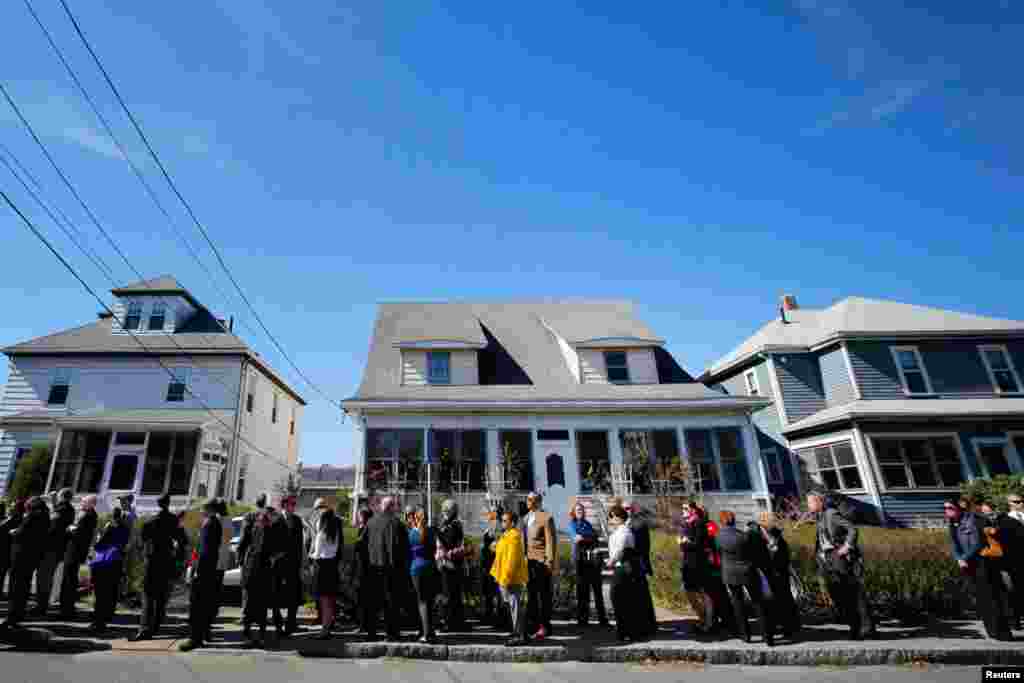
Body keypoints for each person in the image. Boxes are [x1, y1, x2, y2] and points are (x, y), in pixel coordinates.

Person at [809, 490, 874, 640]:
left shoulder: (831, 514)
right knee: (839, 594)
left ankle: (865, 628)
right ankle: (854, 626)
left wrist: (847, 546)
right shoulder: (819, 517)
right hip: (829, 559)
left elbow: (852, 529)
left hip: (839, 557)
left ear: (819, 502)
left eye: (811, 502)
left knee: (852, 592)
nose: (809, 505)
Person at [947, 498, 1013, 641]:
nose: (947, 511)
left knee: (992, 597)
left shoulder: (974, 520)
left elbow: (978, 542)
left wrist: (964, 557)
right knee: (982, 599)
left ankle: (1002, 633)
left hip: (983, 563)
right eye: (945, 509)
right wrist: (958, 558)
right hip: (968, 565)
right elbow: (953, 543)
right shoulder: (953, 523)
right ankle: (992, 632)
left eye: (950, 508)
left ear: (960, 508)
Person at [132, 493, 189, 641]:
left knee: (149, 595)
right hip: (167, 560)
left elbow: (142, 540)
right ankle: (156, 625)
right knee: (162, 595)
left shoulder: (151, 521)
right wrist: (178, 560)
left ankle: (145, 628)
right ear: (168, 503)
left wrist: (145, 553)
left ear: (158, 504)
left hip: (152, 560)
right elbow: (183, 541)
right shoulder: (173, 521)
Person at [717, 511, 774, 646]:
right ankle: (767, 636)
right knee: (758, 602)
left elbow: (718, 552)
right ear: (734, 521)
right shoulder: (744, 536)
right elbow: (754, 553)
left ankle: (745, 635)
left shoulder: (718, 537)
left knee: (738, 604)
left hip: (730, 573)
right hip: (747, 571)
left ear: (722, 522)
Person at [364, 496, 411, 641]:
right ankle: (392, 633)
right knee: (392, 602)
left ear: (381, 507)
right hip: (393, 569)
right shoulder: (398, 524)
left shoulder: (370, 523)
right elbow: (405, 549)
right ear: (391, 507)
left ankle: (371, 632)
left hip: (374, 567)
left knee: (374, 602)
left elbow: (362, 545)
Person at [180, 500, 223, 652]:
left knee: (197, 605)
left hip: (204, 571)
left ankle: (195, 638)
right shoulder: (212, 522)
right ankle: (203, 634)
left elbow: (205, 551)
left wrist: (197, 569)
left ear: (208, 509)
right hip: (208, 570)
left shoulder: (210, 524)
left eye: (202, 508)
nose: (200, 510)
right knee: (204, 603)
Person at [1, 497, 50, 630]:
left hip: (22, 556)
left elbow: (22, 533)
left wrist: (13, 532)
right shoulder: (46, 517)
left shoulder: (32, 516)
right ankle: (19, 613)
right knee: (24, 585)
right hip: (33, 557)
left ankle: (12, 616)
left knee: (16, 586)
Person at [239, 500, 281, 647]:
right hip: (262, 570)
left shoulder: (254, 528)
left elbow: (243, 545)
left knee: (251, 602)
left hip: (252, 568)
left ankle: (248, 633)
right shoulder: (270, 531)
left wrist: (241, 560)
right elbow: (277, 551)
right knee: (261, 603)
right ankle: (259, 635)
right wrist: (273, 558)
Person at [605, 504, 645, 642]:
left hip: (624, 567)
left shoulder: (624, 532)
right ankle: (624, 630)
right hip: (620, 567)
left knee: (619, 598)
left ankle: (626, 630)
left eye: (612, 516)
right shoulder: (617, 531)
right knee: (620, 599)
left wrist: (611, 561)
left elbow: (620, 550)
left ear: (618, 517)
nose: (610, 519)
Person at [88, 506, 131, 633]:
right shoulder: (126, 529)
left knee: (101, 592)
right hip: (117, 562)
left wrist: (99, 537)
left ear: (113, 516)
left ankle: (98, 621)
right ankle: (108, 616)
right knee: (111, 591)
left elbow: (99, 545)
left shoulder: (110, 527)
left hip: (105, 563)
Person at [491, 509, 530, 646]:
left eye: (504, 521)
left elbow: (511, 560)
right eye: (502, 520)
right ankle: (520, 632)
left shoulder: (513, 536)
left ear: (512, 523)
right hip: (507, 577)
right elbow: (503, 551)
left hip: (511, 578)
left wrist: (505, 579)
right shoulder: (507, 535)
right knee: (514, 606)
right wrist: (495, 547)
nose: (502, 523)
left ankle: (519, 635)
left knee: (515, 607)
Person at [523, 492, 558, 641]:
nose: (528, 501)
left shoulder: (546, 517)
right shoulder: (525, 518)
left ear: (538, 502)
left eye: (531, 499)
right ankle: (534, 625)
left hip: (541, 562)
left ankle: (545, 626)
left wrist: (550, 561)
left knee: (543, 596)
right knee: (531, 595)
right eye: (527, 499)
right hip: (529, 562)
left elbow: (550, 541)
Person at [34, 488, 74, 617]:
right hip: (58, 549)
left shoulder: (63, 509)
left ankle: (41, 606)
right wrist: (53, 500)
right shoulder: (69, 509)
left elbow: (53, 525)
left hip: (51, 549)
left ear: (62, 496)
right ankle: (41, 604)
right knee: (46, 576)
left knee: (44, 577)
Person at [760, 514, 801, 640]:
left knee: (780, 601)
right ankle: (791, 625)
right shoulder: (777, 536)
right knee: (785, 600)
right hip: (780, 573)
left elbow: (775, 556)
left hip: (776, 574)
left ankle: (787, 627)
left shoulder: (773, 537)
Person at [568, 502, 608, 628]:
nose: (580, 511)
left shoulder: (587, 524)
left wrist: (586, 538)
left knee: (597, 591)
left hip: (593, 562)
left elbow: (594, 538)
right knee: (582, 592)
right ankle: (582, 620)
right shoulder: (572, 525)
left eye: (581, 509)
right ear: (573, 512)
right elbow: (577, 538)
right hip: (580, 562)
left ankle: (602, 619)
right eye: (577, 510)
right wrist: (589, 538)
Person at [59, 494, 99, 619]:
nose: (81, 504)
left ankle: (67, 609)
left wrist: (71, 528)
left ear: (90, 504)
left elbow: (79, 533)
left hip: (74, 551)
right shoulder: (90, 515)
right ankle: (67, 607)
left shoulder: (88, 516)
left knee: (69, 579)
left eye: (83, 502)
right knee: (70, 578)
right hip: (77, 551)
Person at [678, 501, 714, 633]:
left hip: (697, 563)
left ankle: (708, 622)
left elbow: (699, 544)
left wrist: (685, 542)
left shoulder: (699, 523)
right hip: (688, 563)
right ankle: (702, 618)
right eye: (682, 508)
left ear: (693, 510)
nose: (683, 510)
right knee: (691, 592)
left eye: (686, 508)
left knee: (703, 593)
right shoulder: (686, 524)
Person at [273, 495, 305, 636]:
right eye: (292, 504)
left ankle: (290, 624)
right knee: (276, 594)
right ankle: (278, 623)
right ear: (285, 505)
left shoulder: (297, 520)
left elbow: (299, 543)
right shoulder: (276, 520)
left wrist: (301, 561)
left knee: (293, 595)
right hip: (279, 564)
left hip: (293, 564)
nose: (294, 506)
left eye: (295, 504)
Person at [408, 505, 439, 644]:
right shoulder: (431, 532)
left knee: (422, 601)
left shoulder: (412, 534)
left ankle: (426, 633)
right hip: (431, 566)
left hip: (417, 568)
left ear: (415, 518)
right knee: (430, 601)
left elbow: (407, 553)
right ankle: (431, 631)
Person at [310, 505, 342, 640]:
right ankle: (327, 626)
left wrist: (309, 555)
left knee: (324, 601)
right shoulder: (335, 534)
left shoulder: (321, 534)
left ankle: (324, 629)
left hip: (322, 567)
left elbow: (317, 554)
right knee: (330, 600)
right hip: (332, 566)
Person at [627, 502, 657, 638]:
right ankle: (647, 623)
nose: (626, 510)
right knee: (641, 594)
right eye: (624, 508)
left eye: (628, 508)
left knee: (641, 594)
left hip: (638, 563)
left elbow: (638, 545)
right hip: (639, 562)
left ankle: (645, 624)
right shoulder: (634, 522)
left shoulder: (636, 523)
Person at [436, 499, 467, 633]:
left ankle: (451, 621)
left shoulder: (454, 525)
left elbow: (450, 541)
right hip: (447, 562)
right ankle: (453, 620)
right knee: (450, 593)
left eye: (446, 510)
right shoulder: (447, 524)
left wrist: (439, 536)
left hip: (452, 563)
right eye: (443, 510)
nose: (444, 512)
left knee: (450, 594)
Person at [238, 492, 268, 624]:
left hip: (251, 556)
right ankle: (260, 617)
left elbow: (244, 537)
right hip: (265, 558)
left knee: (247, 587)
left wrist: (239, 555)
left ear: (256, 502)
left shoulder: (249, 516)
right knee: (261, 589)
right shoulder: (269, 517)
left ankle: (246, 616)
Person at [206, 498, 233, 642]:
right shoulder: (229, 520)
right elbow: (228, 539)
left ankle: (207, 626)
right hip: (222, 561)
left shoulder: (216, 521)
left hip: (213, 562)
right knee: (216, 593)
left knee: (209, 595)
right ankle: (212, 619)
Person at [480, 498, 504, 628]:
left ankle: (499, 618)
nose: (490, 513)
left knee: (497, 592)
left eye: (493, 512)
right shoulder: (489, 526)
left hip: (496, 563)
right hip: (487, 563)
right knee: (489, 592)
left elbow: (498, 545)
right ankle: (489, 615)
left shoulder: (499, 527)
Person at [351, 506, 374, 632]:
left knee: (364, 598)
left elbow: (359, 546)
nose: (358, 518)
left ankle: (364, 625)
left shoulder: (366, 530)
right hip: (363, 566)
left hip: (365, 567)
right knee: (362, 597)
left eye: (359, 515)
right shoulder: (364, 529)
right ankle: (363, 624)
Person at [0, 499, 26, 601]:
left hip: (5, 550)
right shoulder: (22, 519)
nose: (10, 508)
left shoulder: (12, 519)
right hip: (11, 550)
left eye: (12, 506)